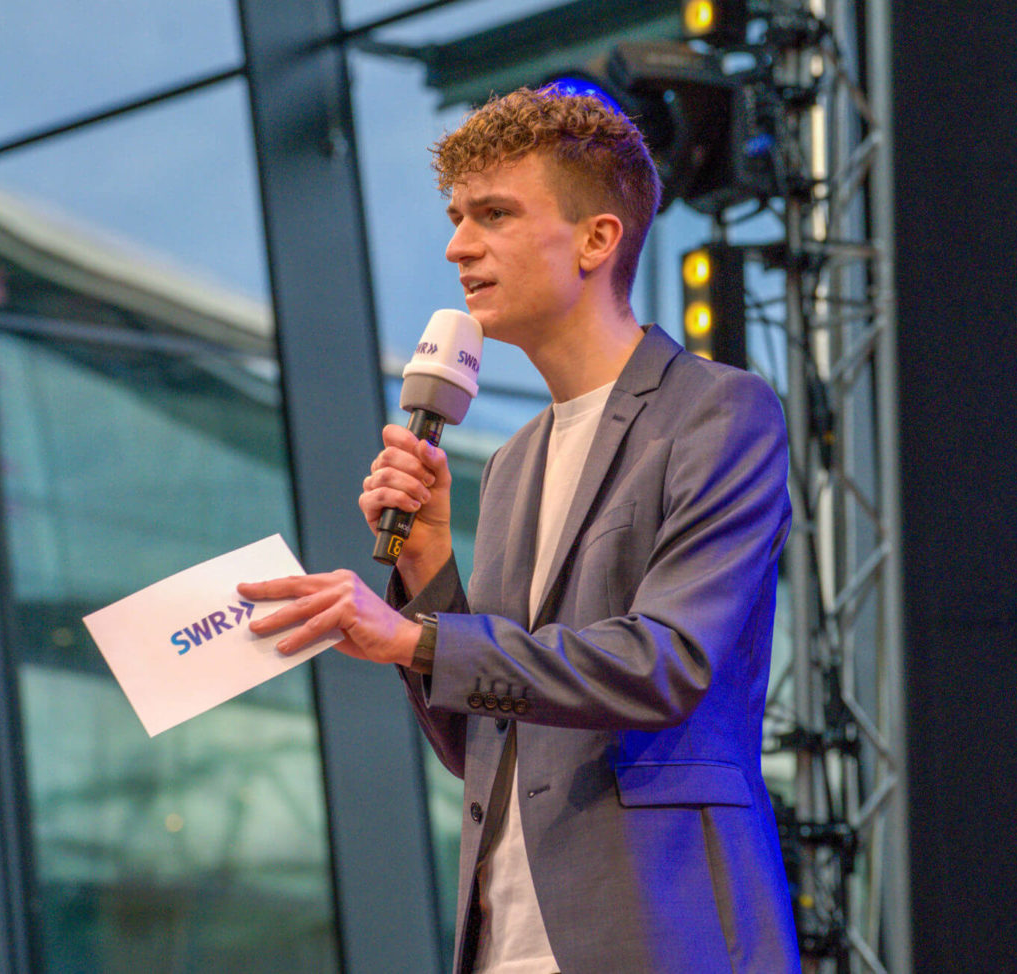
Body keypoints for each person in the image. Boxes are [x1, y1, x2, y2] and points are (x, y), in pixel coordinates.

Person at [239, 86, 799, 974]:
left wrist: (413, 637)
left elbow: (666, 664)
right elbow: (485, 746)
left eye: (494, 214)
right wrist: (426, 571)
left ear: (596, 239)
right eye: (459, 217)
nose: (460, 246)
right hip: (509, 944)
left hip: (663, 934)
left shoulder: (718, 413)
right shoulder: (512, 461)